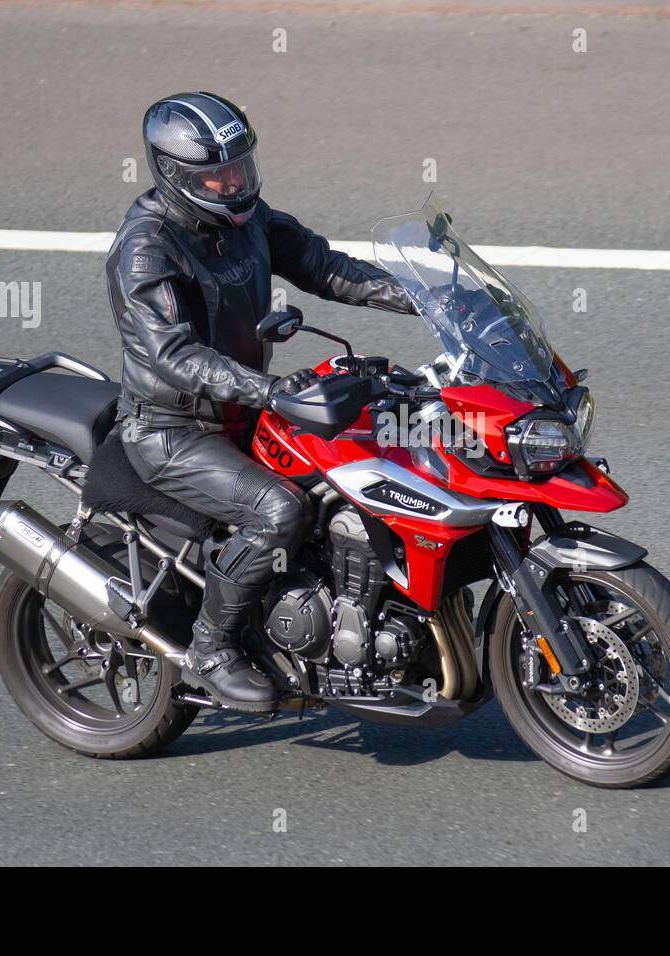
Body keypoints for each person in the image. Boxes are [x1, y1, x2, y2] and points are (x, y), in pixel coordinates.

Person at [106, 92, 416, 712]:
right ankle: (212, 648)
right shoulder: (146, 250)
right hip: (173, 431)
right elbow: (176, 357)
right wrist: (274, 390)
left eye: (241, 167)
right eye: (216, 175)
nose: (233, 182)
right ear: (173, 173)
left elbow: (325, 266)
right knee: (280, 513)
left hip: (242, 409)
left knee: (382, 445)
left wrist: (425, 297)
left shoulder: (247, 219)